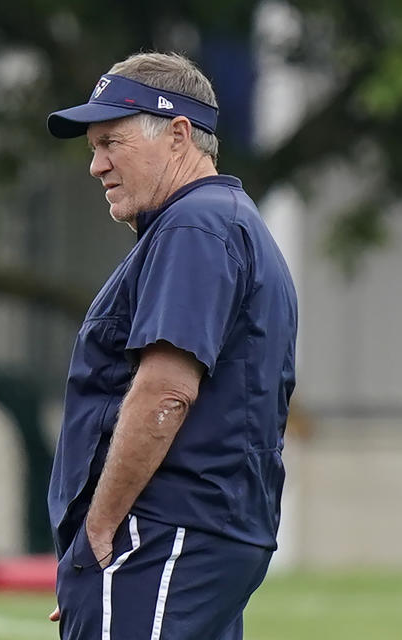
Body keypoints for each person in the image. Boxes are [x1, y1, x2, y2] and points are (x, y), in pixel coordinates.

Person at [45, 52, 298, 639]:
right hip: (198, 534)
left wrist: (99, 534)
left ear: (179, 134)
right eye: (92, 147)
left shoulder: (195, 225)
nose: (96, 165)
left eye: (111, 142)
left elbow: (166, 390)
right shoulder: (224, 220)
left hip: (162, 532)